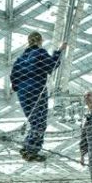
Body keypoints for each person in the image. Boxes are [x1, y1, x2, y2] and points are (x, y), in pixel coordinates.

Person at [10, 32, 67, 162]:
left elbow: (13, 81)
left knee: (34, 121)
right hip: (36, 89)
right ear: (40, 41)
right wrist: (59, 50)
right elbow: (51, 65)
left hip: (23, 93)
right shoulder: (39, 52)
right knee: (40, 122)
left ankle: (28, 147)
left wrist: (20, 85)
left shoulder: (19, 59)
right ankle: (31, 149)